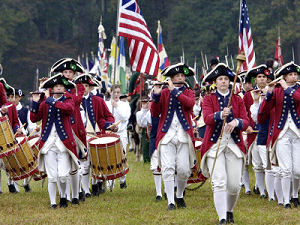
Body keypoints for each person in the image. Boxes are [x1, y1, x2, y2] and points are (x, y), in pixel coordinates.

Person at [200, 63, 249, 224]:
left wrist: (236, 122)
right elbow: (206, 118)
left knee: (234, 185)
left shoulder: (237, 99)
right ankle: (222, 218)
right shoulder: (208, 99)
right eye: (220, 79)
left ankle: (229, 211)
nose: (223, 81)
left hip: (234, 145)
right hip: (214, 145)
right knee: (219, 181)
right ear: (215, 82)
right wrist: (219, 114)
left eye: (226, 79)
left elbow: (246, 121)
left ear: (230, 81)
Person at [151, 63, 196, 211]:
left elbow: (189, 105)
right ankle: (170, 201)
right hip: (166, 135)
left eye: (183, 76)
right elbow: (154, 113)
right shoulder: (164, 92)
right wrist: (156, 95)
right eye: (177, 76)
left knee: (183, 170)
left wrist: (175, 91)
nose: (181, 78)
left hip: (183, 135)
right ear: (171, 78)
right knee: (168, 168)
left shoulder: (189, 92)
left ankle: (180, 195)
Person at [30, 73, 79, 208]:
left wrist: (51, 100)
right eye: (55, 86)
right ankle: (53, 203)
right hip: (48, 143)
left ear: (64, 88)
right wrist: (35, 101)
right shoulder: (45, 103)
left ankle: (63, 196)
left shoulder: (68, 100)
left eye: (60, 86)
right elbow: (34, 118)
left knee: (63, 175)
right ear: (51, 88)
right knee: (52, 176)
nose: (58, 88)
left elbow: (69, 109)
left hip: (64, 143)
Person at [258, 62, 300, 208]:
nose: (294, 76)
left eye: (295, 74)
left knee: (297, 170)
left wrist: (287, 88)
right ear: (284, 76)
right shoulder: (276, 91)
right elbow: (262, 114)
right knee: (286, 169)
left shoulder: (297, 89)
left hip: (297, 134)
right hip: (281, 134)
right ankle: (286, 201)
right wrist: (268, 94)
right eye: (290, 75)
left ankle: (295, 195)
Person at [74, 73, 117, 196]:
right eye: (81, 86)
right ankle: (86, 190)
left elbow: (107, 116)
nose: (83, 88)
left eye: (86, 85)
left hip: (95, 135)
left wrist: (110, 124)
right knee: (85, 164)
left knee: (97, 162)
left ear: (91, 87)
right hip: (79, 137)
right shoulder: (73, 101)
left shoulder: (98, 100)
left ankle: (96, 183)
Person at [51, 58, 86, 203]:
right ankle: (63, 194)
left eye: (70, 72)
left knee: (75, 163)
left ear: (74, 74)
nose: (67, 75)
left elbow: (76, 101)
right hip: (59, 128)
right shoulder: (55, 86)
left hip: (75, 128)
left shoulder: (78, 87)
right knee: (61, 164)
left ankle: (76, 194)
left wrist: (63, 92)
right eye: (64, 72)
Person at [243, 65, 272, 198]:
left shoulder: (272, 92)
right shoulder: (248, 95)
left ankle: (272, 191)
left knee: (269, 164)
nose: (261, 79)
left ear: (267, 79)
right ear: (255, 79)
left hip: (268, 132)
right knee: (257, 164)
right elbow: (244, 113)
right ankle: (262, 191)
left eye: (264, 77)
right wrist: (246, 126)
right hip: (253, 133)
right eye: (259, 77)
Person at [105, 84, 131, 189]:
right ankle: (110, 181)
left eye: (118, 92)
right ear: (110, 92)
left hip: (121, 134)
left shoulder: (124, 104)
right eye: (114, 92)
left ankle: (122, 179)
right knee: (108, 157)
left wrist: (116, 106)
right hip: (109, 133)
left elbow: (125, 117)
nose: (116, 94)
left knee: (121, 157)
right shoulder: (106, 104)